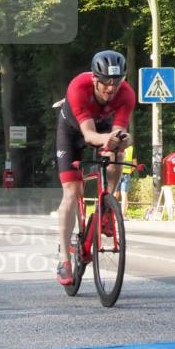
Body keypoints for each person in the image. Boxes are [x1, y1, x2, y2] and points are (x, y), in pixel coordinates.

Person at [55, 51, 135, 286]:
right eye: (106, 83)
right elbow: (89, 135)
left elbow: (118, 132)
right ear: (94, 79)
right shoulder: (78, 87)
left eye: (116, 82)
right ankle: (64, 260)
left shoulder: (127, 94)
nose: (111, 89)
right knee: (72, 192)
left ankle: (107, 207)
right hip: (72, 132)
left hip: (103, 128)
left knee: (117, 152)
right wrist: (106, 139)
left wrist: (122, 139)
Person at [116, 144, 135, 216]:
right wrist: (128, 172)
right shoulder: (131, 149)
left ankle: (113, 214)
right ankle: (123, 215)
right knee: (124, 195)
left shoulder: (116, 148)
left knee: (115, 195)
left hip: (117, 174)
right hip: (126, 174)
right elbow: (134, 164)